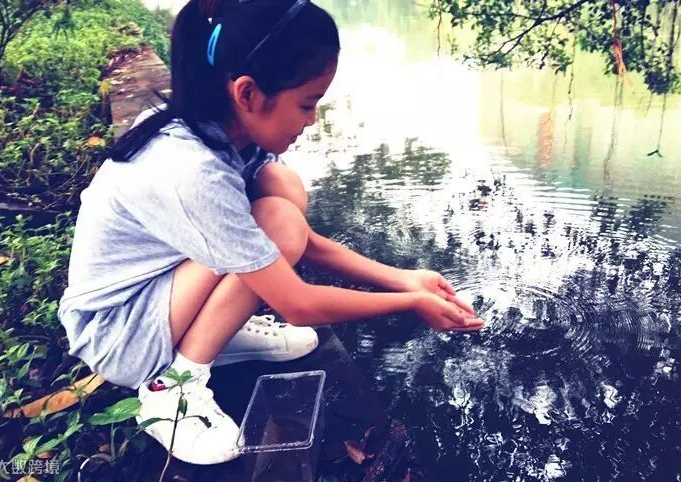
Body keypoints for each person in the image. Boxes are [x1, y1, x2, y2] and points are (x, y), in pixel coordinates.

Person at [57, 0, 484, 465]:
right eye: (306, 103)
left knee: (281, 193)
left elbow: (305, 242)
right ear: (247, 93)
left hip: (162, 293)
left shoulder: (221, 131)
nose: (312, 119)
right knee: (277, 218)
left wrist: (404, 278)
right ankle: (172, 388)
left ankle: (219, 332)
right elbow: (298, 304)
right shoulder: (192, 169)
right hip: (121, 332)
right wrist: (411, 303)